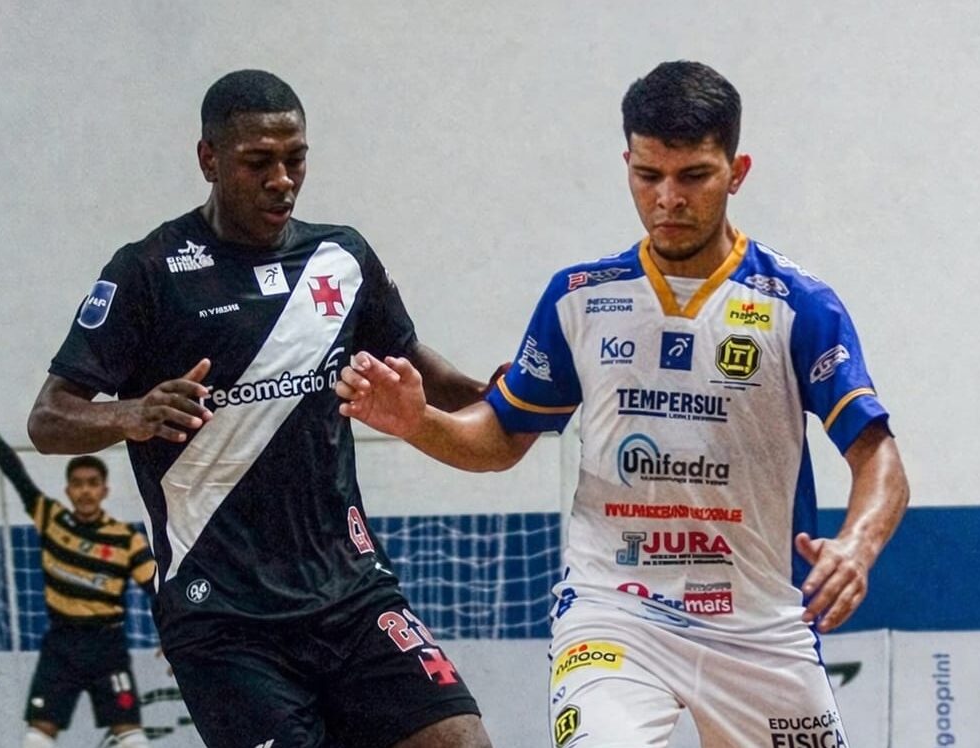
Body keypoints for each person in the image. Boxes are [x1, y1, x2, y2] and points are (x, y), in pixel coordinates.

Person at [336, 60, 911, 747]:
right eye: (648, 175)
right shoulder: (580, 298)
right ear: (627, 166)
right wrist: (418, 423)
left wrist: (856, 546)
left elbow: (879, 458)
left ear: (737, 171)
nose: (668, 198)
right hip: (615, 615)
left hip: (759, 627)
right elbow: (501, 437)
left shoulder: (799, 305)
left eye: (693, 176)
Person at [27, 70, 493, 748]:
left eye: (295, 159)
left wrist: (499, 396)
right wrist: (131, 414)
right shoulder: (147, 272)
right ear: (209, 159)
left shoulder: (341, 257)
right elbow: (48, 419)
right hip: (222, 617)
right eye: (258, 163)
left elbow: (412, 361)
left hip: (351, 592)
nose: (282, 180)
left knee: (461, 739)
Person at [0, 391, 154, 748]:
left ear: (104, 490)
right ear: (69, 490)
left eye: (92, 484)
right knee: (37, 737)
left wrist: (175, 634)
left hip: (107, 645)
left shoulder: (126, 539)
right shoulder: (51, 519)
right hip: (62, 643)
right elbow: (16, 474)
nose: (86, 491)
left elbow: (156, 589)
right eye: (79, 484)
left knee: (131, 737)